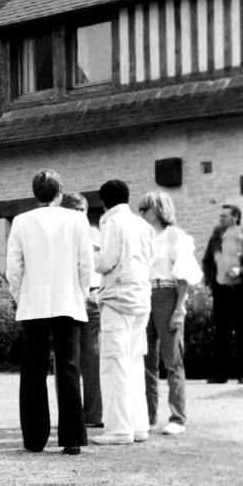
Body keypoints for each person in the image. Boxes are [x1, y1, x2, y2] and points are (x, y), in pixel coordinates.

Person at [6, 171, 94, 455]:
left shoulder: (20, 221)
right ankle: (71, 438)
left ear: (36, 193)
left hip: (34, 304)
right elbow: (86, 265)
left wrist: (20, 296)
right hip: (68, 301)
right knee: (69, 368)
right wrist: (81, 293)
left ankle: (34, 438)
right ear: (60, 193)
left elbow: (14, 268)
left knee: (33, 371)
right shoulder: (77, 220)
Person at [92, 179, 153, 445]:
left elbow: (107, 260)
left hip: (117, 299)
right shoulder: (143, 224)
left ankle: (118, 429)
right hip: (141, 298)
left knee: (114, 363)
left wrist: (91, 259)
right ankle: (139, 426)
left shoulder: (111, 222)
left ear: (104, 201)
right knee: (134, 362)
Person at [139, 191, 200, 435]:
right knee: (146, 359)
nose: (142, 213)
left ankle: (177, 417)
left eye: (146, 209)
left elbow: (184, 275)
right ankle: (148, 416)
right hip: (144, 295)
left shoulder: (176, 237)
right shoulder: (142, 236)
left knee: (172, 359)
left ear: (159, 210)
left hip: (167, 294)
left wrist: (179, 308)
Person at [60, 192, 103, 429]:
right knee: (68, 360)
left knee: (92, 358)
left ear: (86, 212)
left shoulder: (96, 234)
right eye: (73, 211)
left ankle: (94, 414)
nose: (78, 215)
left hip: (92, 296)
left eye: (81, 211)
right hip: (69, 296)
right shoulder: (60, 238)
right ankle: (71, 415)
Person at [201, 203, 243, 384]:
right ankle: (221, 374)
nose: (220, 218)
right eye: (220, 216)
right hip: (221, 289)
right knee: (221, 332)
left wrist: (242, 270)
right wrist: (209, 283)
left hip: (241, 289)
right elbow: (206, 260)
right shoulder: (216, 235)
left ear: (235, 217)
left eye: (224, 216)